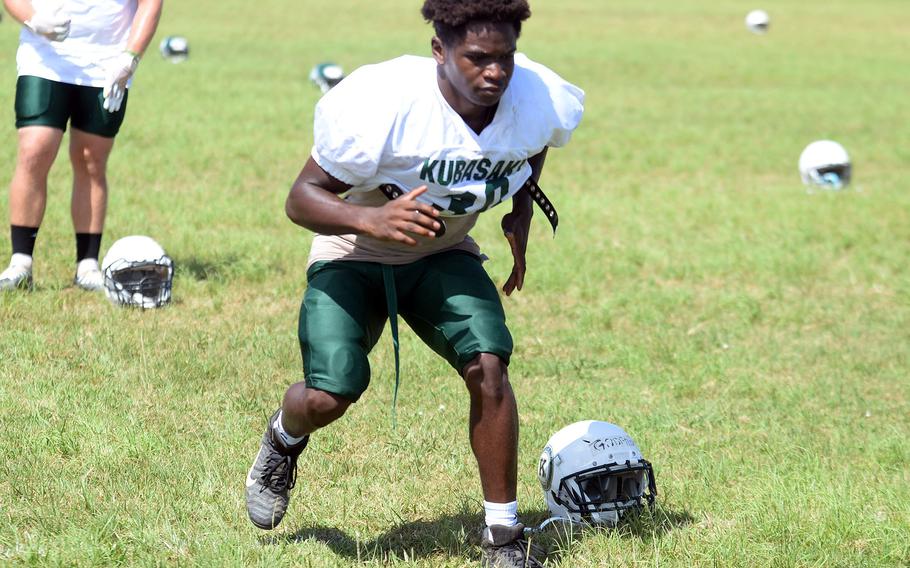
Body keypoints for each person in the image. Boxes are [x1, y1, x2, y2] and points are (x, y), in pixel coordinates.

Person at [244, 0, 583, 566]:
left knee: (489, 365)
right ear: (439, 51)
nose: (495, 73)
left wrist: (521, 206)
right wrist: (371, 218)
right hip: (354, 249)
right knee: (331, 394)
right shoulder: (385, 102)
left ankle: (502, 533)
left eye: (505, 57)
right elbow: (300, 198)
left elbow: (530, 140)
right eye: (477, 58)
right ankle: (284, 435)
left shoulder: (531, 95)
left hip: (443, 249)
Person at [0, 0, 163, 291]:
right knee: (34, 149)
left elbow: (151, 3)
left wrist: (130, 58)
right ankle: (20, 264)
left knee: (92, 158)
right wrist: (34, 19)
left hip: (108, 61)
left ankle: (87, 266)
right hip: (45, 55)